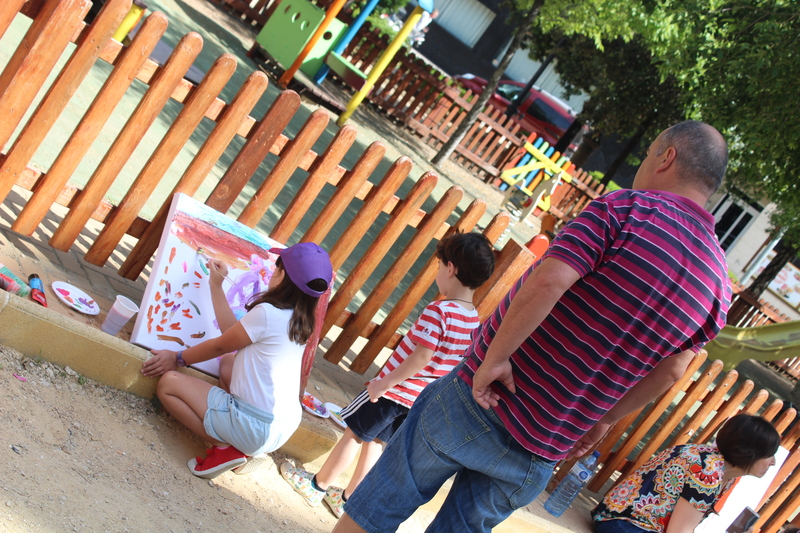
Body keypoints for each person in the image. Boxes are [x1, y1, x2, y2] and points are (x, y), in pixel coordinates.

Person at [331, 120, 732, 533]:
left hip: (480, 398)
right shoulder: (718, 284)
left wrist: (496, 358)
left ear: (667, 157)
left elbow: (548, 281)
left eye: (648, 154)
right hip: (548, 443)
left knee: (382, 502)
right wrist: (604, 419)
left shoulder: (625, 210)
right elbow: (671, 371)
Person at [281, 232, 495, 518]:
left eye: (440, 266)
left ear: (451, 268)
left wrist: (384, 382)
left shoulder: (440, 310)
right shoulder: (472, 319)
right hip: (417, 400)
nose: (439, 272)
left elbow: (422, 356)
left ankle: (318, 486)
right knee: (375, 443)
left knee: (353, 435)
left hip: (393, 391)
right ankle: (347, 498)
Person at [141, 242, 332, 479]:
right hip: (282, 427)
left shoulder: (267, 313)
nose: (272, 274)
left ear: (283, 276)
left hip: (254, 426)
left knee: (168, 384)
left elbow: (220, 345)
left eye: (275, 270)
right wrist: (215, 285)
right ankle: (243, 445)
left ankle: (225, 449)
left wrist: (178, 358)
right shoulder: (302, 320)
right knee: (228, 362)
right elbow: (231, 334)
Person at [592, 414, 780, 532]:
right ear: (749, 453)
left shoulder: (710, 459)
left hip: (616, 516)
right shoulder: (708, 475)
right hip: (626, 525)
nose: (773, 462)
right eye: (770, 455)